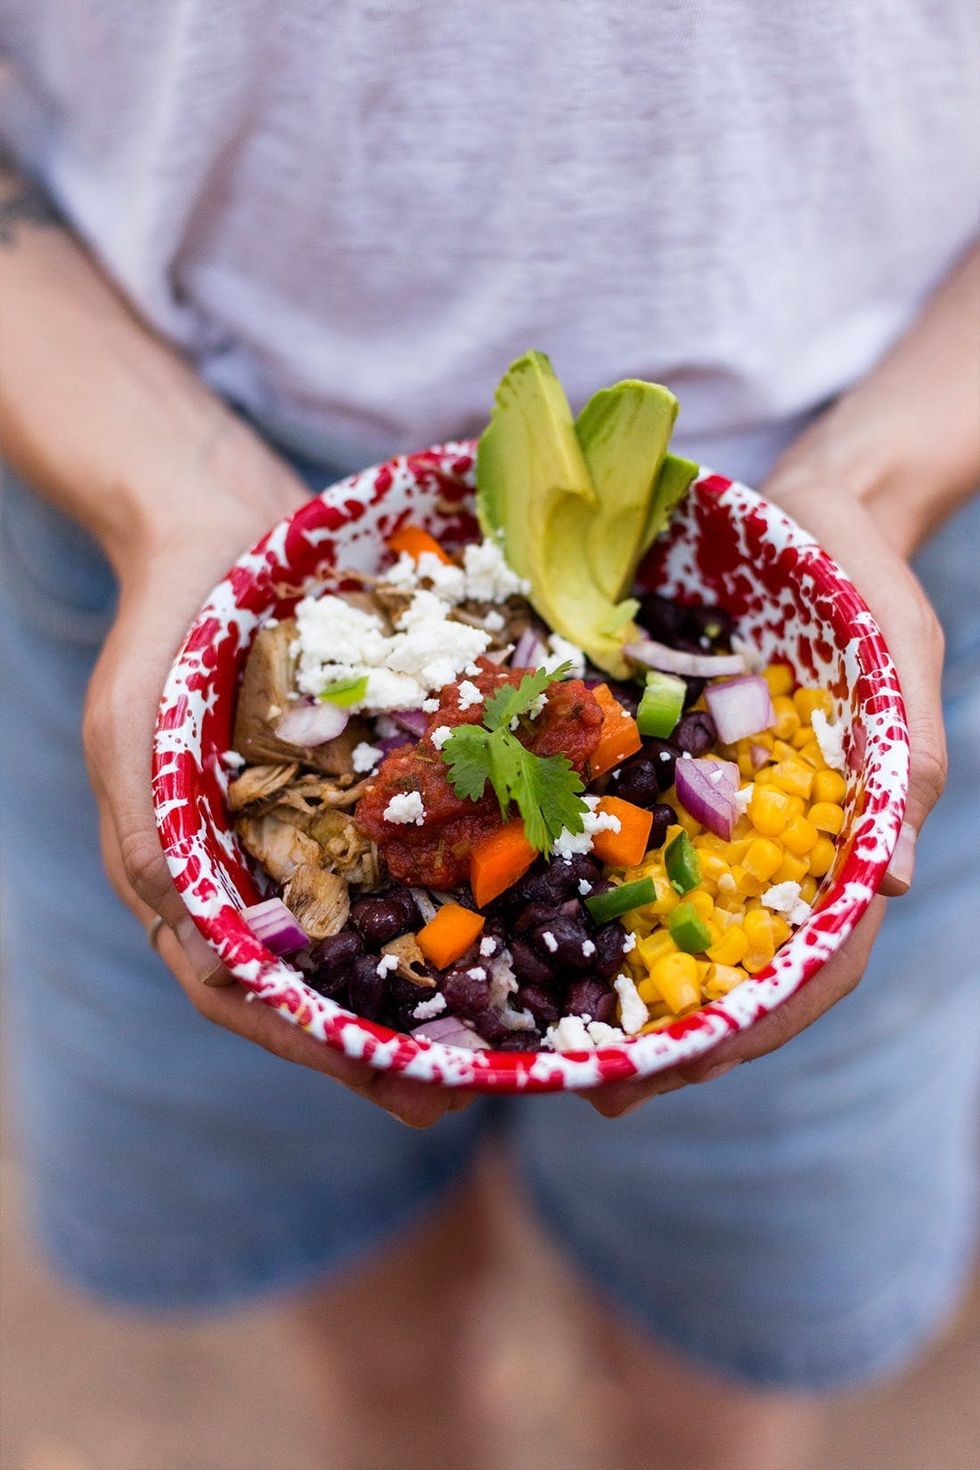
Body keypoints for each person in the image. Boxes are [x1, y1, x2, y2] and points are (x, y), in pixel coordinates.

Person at [0, 5, 977, 1467]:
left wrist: (880, 475)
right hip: (161, 469)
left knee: (710, 1366)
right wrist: (167, 488)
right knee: (371, 1325)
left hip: (854, 500)